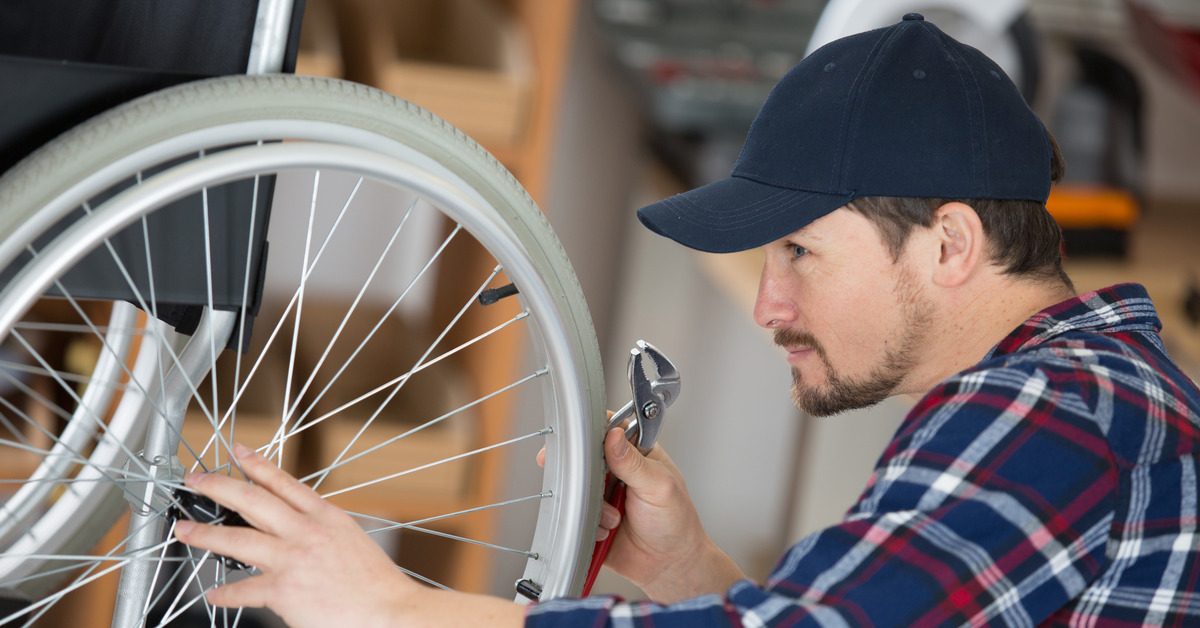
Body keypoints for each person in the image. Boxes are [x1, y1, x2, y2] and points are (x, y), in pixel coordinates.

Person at [176, 13, 1200, 627]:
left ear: (949, 246)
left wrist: (398, 609)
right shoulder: (1086, 389)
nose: (768, 305)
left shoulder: (1060, 414)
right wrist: (696, 578)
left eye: (799, 250)